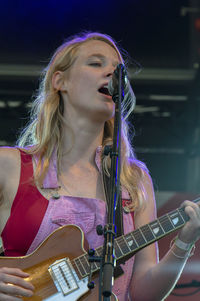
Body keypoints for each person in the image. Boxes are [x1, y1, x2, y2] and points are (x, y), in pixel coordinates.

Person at [0, 31, 200, 301]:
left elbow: (142, 292)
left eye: (118, 69)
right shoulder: (11, 165)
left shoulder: (133, 180)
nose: (111, 72)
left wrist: (185, 243)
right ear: (60, 81)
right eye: (95, 63)